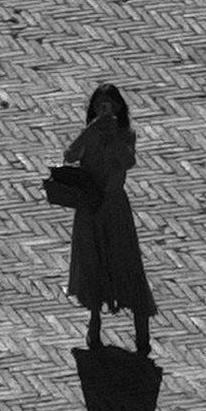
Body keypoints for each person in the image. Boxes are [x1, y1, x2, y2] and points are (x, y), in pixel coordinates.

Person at [59, 82, 157, 353]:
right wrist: (90, 132)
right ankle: (94, 322)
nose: (104, 109)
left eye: (109, 104)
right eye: (99, 104)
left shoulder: (125, 134)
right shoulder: (90, 133)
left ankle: (142, 332)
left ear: (117, 107)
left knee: (126, 263)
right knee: (92, 262)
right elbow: (69, 156)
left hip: (114, 208)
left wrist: (112, 134)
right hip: (90, 207)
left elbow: (127, 162)